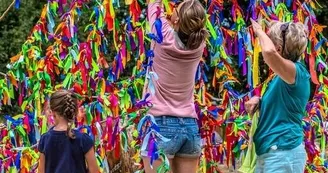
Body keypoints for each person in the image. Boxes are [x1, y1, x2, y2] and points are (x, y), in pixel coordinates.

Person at [141, 0, 208, 172]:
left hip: (160, 126)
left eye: (176, 9)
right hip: (190, 127)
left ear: (177, 20)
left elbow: (154, 5)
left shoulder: (161, 34)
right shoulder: (199, 45)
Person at [245, 19, 310, 173]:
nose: (262, 47)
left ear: (279, 49)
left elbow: (269, 52)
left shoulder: (297, 72)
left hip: (283, 151)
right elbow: (283, 105)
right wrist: (260, 101)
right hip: (271, 152)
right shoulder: (282, 77)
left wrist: (259, 31)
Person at [38, 90, 99, 173]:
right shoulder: (83, 139)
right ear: (74, 111)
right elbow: (94, 171)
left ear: (53, 112)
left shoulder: (45, 140)